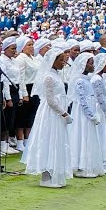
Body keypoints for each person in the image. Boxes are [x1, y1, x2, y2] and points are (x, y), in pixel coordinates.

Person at [21, 46, 72, 188]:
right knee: (49, 141)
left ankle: (55, 173)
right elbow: (50, 100)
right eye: (61, 60)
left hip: (57, 112)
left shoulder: (56, 75)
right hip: (51, 114)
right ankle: (46, 176)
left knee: (57, 141)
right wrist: (64, 113)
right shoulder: (49, 77)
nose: (63, 63)